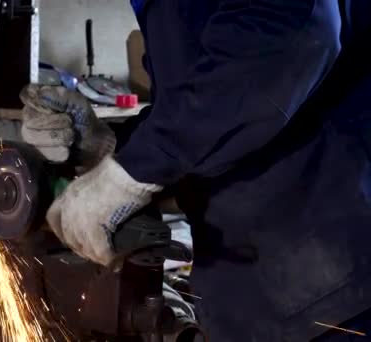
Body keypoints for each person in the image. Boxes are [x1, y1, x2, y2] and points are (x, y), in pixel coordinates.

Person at [20, 0, 371, 340]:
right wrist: (107, 145)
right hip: (265, 290)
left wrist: (135, 170)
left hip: (331, 286)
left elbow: (291, 29)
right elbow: (200, 108)